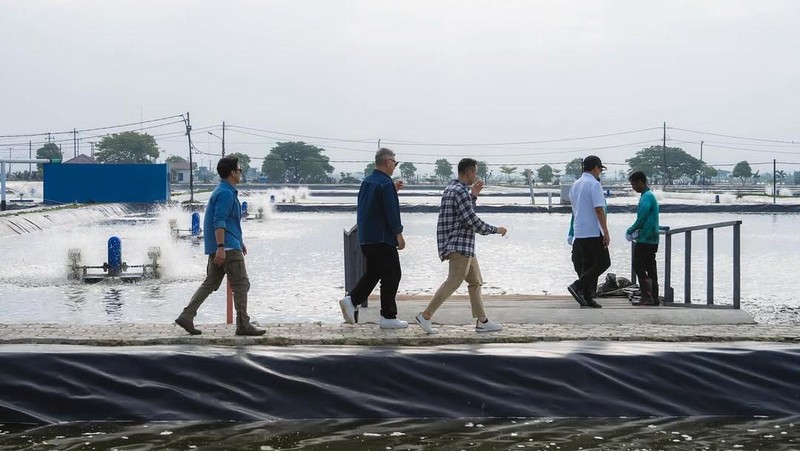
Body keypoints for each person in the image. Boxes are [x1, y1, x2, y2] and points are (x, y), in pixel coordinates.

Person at [414, 158, 508, 334]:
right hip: (460, 245)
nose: (476, 175)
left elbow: (463, 214)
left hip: (463, 245)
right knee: (453, 282)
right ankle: (425, 316)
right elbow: (471, 221)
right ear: (470, 172)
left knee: (475, 282)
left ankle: (482, 321)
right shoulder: (461, 192)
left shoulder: (452, 188)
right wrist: (496, 230)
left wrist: (473, 196)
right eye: (476, 172)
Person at [175, 156, 265, 336]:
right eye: (239, 170)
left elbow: (230, 222)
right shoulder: (225, 193)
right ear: (232, 172)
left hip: (224, 245)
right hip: (227, 248)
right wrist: (223, 247)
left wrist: (238, 242)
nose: (241, 173)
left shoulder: (223, 190)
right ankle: (243, 325)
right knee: (241, 285)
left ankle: (186, 315)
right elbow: (219, 221)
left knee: (210, 283)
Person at [339, 148, 408, 329]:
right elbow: (391, 213)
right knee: (393, 274)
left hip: (366, 238)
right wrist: (399, 234)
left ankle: (352, 300)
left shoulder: (368, 182)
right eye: (395, 162)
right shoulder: (385, 184)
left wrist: (393, 191)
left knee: (375, 273)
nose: (395, 166)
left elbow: (372, 206)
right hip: (382, 238)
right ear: (387, 162)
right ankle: (388, 316)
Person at [567, 155, 610, 308]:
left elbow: (574, 209)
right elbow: (599, 209)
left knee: (587, 265)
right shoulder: (594, 184)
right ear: (595, 168)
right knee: (604, 262)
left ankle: (586, 297)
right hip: (593, 231)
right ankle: (577, 285)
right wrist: (605, 231)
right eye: (600, 169)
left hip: (580, 231)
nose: (600, 173)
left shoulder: (576, 184)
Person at [626, 171, 660, 305]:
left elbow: (642, 217)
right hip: (652, 238)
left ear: (640, 182)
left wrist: (631, 230)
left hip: (646, 239)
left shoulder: (646, 197)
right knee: (650, 267)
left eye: (633, 184)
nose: (633, 187)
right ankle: (654, 297)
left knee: (638, 264)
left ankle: (647, 296)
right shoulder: (650, 196)